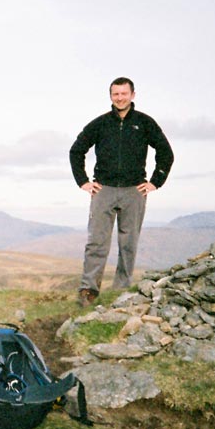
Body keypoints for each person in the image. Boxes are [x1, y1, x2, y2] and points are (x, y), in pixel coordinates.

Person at [69, 77, 174, 307]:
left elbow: (166, 152)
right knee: (96, 242)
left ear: (132, 95)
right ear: (110, 96)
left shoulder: (145, 123)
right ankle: (88, 290)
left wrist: (155, 182)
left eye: (124, 93)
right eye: (115, 94)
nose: (120, 98)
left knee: (128, 243)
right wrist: (84, 182)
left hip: (134, 191)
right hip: (103, 190)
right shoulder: (100, 124)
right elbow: (76, 150)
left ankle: (121, 290)